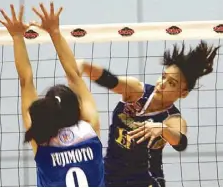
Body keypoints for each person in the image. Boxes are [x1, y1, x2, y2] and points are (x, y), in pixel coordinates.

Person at [78, 40, 220, 186]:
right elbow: (109, 80)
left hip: (145, 180)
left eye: (171, 83)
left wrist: (163, 130)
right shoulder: (136, 91)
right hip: (110, 176)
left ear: (183, 93)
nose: (162, 83)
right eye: (163, 76)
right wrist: (83, 66)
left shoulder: (173, 118)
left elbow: (181, 142)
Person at [0, 2, 104, 187]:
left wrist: (16, 36)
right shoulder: (90, 130)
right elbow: (75, 76)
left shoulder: (42, 140)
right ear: (78, 109)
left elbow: (26, 81)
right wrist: (54, 31)